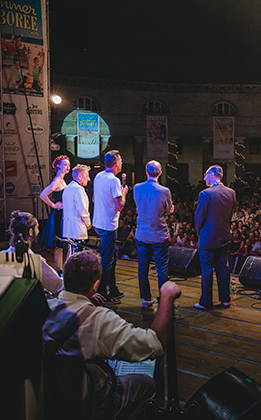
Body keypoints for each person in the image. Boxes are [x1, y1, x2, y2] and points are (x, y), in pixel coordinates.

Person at [42, 250, 181, 419]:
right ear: (95, 285)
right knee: (147, 384)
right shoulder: (99, 319)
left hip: (53, 400)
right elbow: (155, 343)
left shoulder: (43, 308)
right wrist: (166, 296)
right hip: (93, 404)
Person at [194, 165, 236, 310]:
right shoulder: (231, 193)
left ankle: (206, 302)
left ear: (212, 175)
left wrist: (199, 233)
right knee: (223, 269)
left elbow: (199, 217)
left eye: (205, 174)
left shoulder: (205, 194)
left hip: (208, 237)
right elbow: (230, 214)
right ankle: (225, 300)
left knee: (207, 270)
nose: (204, 177)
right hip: (224, 235)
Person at [134, 161, 173, 307]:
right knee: (162, 267)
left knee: (142, 268)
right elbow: (168, 210)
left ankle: (146, 299)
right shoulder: (164, 191)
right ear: (160, 173)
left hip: (142, 234)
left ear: (146, 172)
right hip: (159, 235)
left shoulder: (137, 188)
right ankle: (164, 299)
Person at [93, 150, 128, 303]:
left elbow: (94, 199)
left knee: (111, 258)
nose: (121, 164)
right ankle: (102, 294)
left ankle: (112, 288)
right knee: (107, 260)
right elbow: (119, 206)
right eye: (120, 161)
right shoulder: (114, 181)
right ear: (116, 164)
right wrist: (124, 193)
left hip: (98, 222)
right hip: (108, 225)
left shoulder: (98, 176)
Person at [2, 210, 62, 295]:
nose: (38, 231)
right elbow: (57, 286)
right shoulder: (35, 261)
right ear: (30, 232)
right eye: (37, 228)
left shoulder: (2, 255)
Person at [39, 155, 70, 274]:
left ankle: (61, 270)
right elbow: (42, 195)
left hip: (62, 214)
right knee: (59, 245)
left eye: (68, 164)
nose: (67, 167)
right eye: (65, 165)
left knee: (62, 244)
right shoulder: (57, 180)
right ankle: (59, 271)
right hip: (58, 215)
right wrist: (53, 205)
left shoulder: (62, 180)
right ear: (58, 166)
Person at [62, 164, 91, 258]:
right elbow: (83, 210)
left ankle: (68, 272)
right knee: (78, 257)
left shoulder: (67, 188)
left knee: (71, 254)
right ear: (80, 176)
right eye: (87, 176)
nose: (89, 179)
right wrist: (88, 223)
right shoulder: (79, 189)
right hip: (77, 229)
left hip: (68, 228)